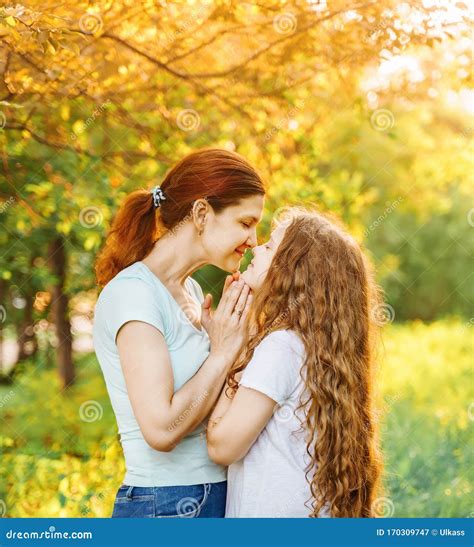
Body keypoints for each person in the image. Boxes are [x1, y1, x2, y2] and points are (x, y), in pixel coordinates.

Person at [93, 148, 265, 517]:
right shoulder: (134, 294)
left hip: (210, 496)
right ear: (202, 213)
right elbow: (161, 430)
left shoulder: (185, 292)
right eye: (245, 222)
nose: (253, 240)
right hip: (166, 506)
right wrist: (221, 352)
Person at [207, 207, 384, 518]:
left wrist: (228, 350)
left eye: (270, 246)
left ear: (292, 271)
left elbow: (221, 447)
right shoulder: (312, 347)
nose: (256, 247)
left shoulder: (280, 348)